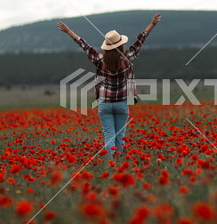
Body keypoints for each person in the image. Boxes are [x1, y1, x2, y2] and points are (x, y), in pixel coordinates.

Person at [57, 13, 161, 162]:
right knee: (120, 137)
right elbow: (140, 40)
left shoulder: (100, 60)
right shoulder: (128, 58)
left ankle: (110, 164)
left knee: (109, 137)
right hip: (122, 104)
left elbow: (83, 45)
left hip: (105, 104)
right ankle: (119, 166)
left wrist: (68, 31)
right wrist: (152, 24)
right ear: (121, 45)